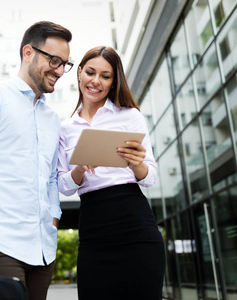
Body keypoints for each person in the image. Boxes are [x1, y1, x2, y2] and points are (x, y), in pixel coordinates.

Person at [0, 21, 73, 300]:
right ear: (28, 52)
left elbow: (51, 181)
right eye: (53, 60)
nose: (59, 70)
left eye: (65, 64)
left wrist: (52, 226)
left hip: (43, 252)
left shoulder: (52, 119)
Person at [58, 46, 165, 299]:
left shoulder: (130, 116)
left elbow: (150, 178)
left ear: (114, 81)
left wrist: (136, 163)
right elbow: (63, 186)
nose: (96, 81)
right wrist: (80, 168)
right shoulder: (65, 128)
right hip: (94, 229)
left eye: (105, 76)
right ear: (79, 73)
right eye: (91, 72)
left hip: (135, 224)